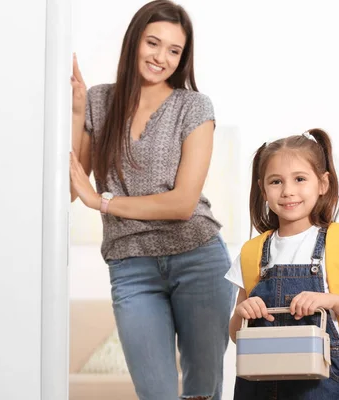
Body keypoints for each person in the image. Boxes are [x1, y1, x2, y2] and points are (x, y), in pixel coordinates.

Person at [69, 1, 235, 399]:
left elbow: (181, 204)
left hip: (198, 257)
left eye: (174, 51)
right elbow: (72, 188)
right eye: (153, 43)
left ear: (183, 57)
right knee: (156, 393)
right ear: (134, 41)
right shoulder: (98, 101)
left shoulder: (194, 107)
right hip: (131, 269)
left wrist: (105, 203)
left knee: (203, 391)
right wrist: (76, 113)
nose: (161, 57)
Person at [225, 129, 339, 399]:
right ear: (263, 189)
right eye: (276, 182)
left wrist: (330, 300)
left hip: (320, 387)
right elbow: (237, 335)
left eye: (299, 179)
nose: (288, 191)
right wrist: (243, 311)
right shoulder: (252, 253)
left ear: (322, 184)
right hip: (258, 386)